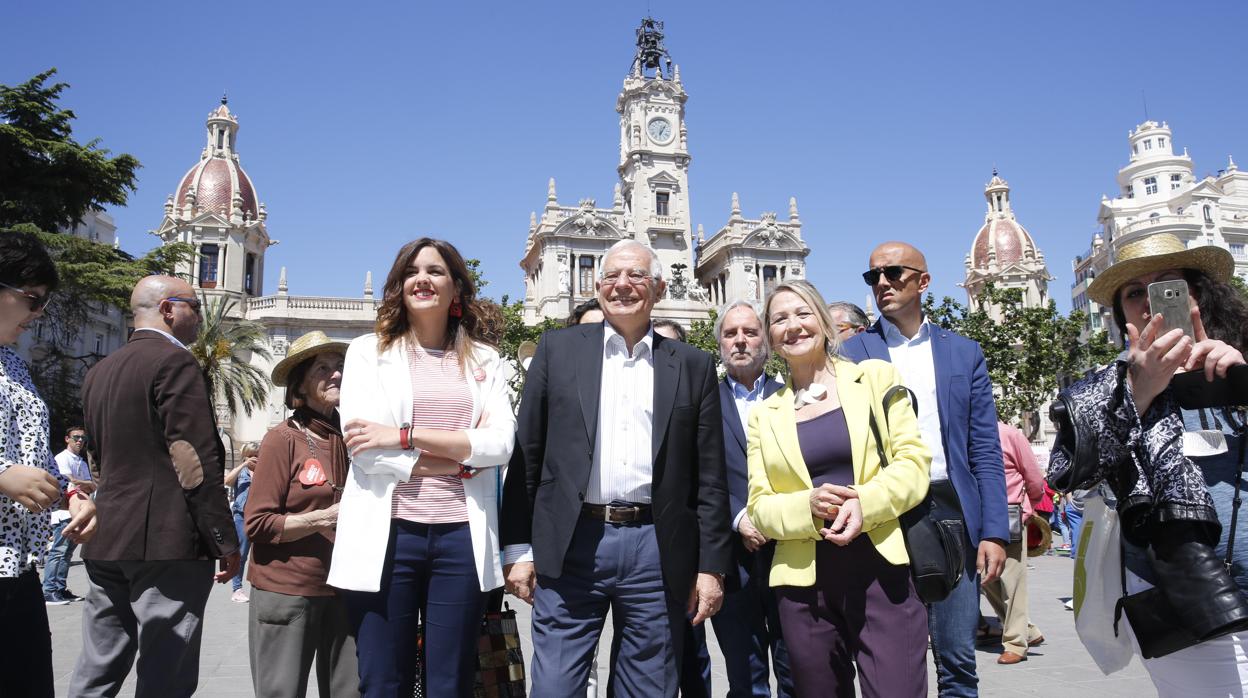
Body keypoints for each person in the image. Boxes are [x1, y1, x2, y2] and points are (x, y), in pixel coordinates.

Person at [501, 238, 732, 697]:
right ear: (598, 285)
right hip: (572, 542)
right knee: (554, 687)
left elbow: (709, 476)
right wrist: (516, 549)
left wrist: (712, 567)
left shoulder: (693, 364)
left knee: (648, 687)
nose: (622, 285)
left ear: (659, 287)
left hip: (657, 548)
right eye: (610, 276)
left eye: (636, 276)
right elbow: (527, 452)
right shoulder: (557, 350)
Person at [1050, 232, 1248, 695]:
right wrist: (1139, 392)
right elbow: (1071, 471)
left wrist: (1240, 379)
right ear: (1121, 314)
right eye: (1135, 292)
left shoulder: (1236, 361)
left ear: (1197, 294)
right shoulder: (1104, 386)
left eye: (1167, 286)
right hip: (1182, 587)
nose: (1150, 302)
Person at [328, 238, 516, 697]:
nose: (423, 279)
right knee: (382, 680)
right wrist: (460, 459)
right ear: (399, 286)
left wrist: (405, 436)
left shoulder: (486, 361)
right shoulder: (367, 353)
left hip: (460, 538)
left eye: (435, 271)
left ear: (456, 289)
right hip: (389, 535)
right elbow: (366, 452)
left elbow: (500, 445)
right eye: (412, 271)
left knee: (449, 683)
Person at [748, 280, 931, 697]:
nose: (792, 326)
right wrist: (807, 506)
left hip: (882, 572)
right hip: (803, 588)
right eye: (779, 319)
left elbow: (913, 464)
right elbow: (759, 506)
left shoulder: (874, 378)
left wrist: (865, 502)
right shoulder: (765, 414)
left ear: (825, 323)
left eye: (803, 313)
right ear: (771, 337)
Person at [841, 241, 1008, 697]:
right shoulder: (851, 354)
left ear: (924, 281)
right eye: (873, 276)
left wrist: (994, 530)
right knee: (896, 659)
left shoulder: (963, 353)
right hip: (885, 518)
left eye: (894, 273)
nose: (882, 283)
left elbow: (984, 451)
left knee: (957, 657)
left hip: (952, 513)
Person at [72, 275, 240, 698]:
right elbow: (193, 460)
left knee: (98, 666)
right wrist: (223, 538)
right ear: (168, 309)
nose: (200, 316)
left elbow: (97, 457)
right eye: (194, 307)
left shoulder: (99, 371)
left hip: (107, 538)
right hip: (167, 544)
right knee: (167, 671)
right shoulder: (175, 362)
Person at [0, 232, 97, 697]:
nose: (38, 313)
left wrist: (72, 494)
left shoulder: (15, 365)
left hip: (17, 566)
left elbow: (37, 461)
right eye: (32, 298)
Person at [246, 331, 358, 697]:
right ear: (300, 385)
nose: (336, 374)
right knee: (282, 691)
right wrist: (327, 517)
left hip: (345, 590)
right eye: (322, 368)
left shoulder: (352, 437)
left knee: (349, 692)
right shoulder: (283, 439)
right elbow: (258, 524)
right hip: (288, 592)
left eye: (339, 367)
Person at [711, 300, 795, 697]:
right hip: (731, 560)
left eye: (749, 332)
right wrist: (738, 517)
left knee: (797, 665)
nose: (740, 341)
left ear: (766, 340)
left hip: (792, 555)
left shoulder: (795, 396)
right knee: (745, 675)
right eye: (731, 334)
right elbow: (694, 478)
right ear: (720, 344)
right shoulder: (700, 401)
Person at [981, 421, 1045, 665]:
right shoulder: (964, 432)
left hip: (1010, 513)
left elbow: (1034, 478)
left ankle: (1016, 643)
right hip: (979, 515)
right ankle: (1027, 630)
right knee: (985, 577)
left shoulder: (1009, 434)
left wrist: (1029, 506)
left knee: (1012, 580)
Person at [43, 425, 96, 604]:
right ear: (67, 439)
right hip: (63, 513)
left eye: (83, 438)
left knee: (66, 554)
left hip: (78, 511)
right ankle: (49, 590)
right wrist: (83, 483)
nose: (80, 441)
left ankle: (60, 588)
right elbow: (67, 482)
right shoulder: (62, 458)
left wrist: (81, 482)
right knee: (57, 552)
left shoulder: (80, 461)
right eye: (76, 437)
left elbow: (91, 485)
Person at [227, 441, 258, 603]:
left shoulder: (263, 471)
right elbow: (227, 481)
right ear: (245, 456)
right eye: (252, 455)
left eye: (257, 455)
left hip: (259, 516)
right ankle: (236, 589)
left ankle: (259, 587)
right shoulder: (242, 471)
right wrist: (243, 464)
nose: (255, 458)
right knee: (242, 554)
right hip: (242, 515)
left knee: (260, 554)